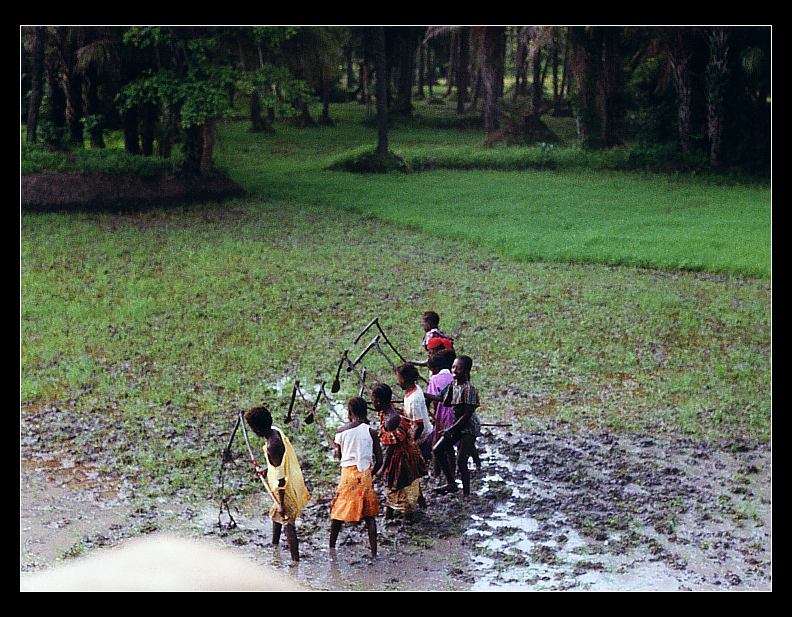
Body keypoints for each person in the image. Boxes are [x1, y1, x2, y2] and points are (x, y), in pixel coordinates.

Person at [244, 406, 310, 563]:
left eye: (253, 428)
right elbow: (280, 463)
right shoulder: (275, 430)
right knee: (276, 515)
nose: (253, 432)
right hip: (289, 480)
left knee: (287, 521)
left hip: (284, 489)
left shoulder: (272, 446)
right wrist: (267, 470)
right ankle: (274, 545)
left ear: (258, 428)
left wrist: (281, 503)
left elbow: (280, 480)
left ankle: (295, 561)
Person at [329, 397, 383, 558]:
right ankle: (374, 552)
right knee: (369, 516)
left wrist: (340, 451)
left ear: (350, 412)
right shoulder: (371, 431)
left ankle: (331, 547)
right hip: (364, 473)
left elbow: (339, 455)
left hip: (347, 474)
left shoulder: (341, 431)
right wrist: (371, 474)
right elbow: (379, 460)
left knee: (338, 512)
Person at [371, 382, 427, 522]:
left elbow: (391, 447)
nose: (372, 403)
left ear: (378, 401)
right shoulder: (389, 412)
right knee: (410, 480)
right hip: (408, 450)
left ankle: (404, 514)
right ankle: (418, 503)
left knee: (395, 483)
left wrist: (383, 467)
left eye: (373, 401)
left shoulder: (391, 420)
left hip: (400, 456)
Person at [433, 355, 481, 498]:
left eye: (458, 368)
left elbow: (466, 416)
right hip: (457, 425)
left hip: (468, 427)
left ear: (465, 371)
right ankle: (451, 483)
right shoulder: (454, 386)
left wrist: (450, 430)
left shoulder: (469, 390)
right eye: (453, 367)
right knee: (437, 449)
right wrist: (449, 389)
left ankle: (466, 494)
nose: (454, 370)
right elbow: (446, 403)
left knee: (461, 461)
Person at [424, 348, 456, 478]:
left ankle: (437, 474)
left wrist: (426, 411)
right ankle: (452, 472)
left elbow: (431, 398)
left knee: (436, 446)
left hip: (443, 415)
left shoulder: (435, 379)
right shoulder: (453, 376)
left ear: (436, 368)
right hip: (456, 414)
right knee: (450, 447)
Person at [395, 363, 434, 464]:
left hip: (423, 438)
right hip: (424, 434)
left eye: (398, 378)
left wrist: (411, 443)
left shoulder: (413, 400)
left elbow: (419, 426)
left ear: (404, 380)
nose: (397, 382)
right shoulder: (414, 388)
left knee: (422, 465)